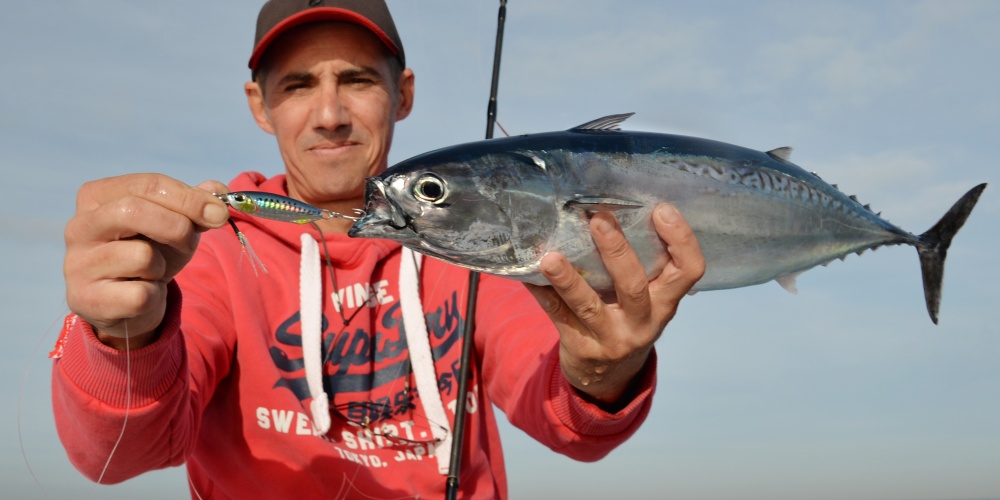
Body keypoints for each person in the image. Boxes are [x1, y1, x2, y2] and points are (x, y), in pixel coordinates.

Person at [53, 1, 705, 498]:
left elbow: (566, 417)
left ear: (405, 93)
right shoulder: (218, 251)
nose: (330, 113)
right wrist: (121, 337)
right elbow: (119, 455)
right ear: (259, 105)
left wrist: (602, 367)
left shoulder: (478, 240)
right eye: (298, 85)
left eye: (358, 80)